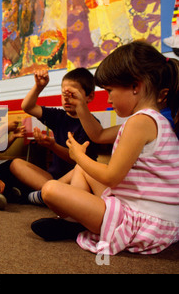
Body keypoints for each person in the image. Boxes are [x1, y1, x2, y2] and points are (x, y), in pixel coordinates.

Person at [31, 40, 179, 256]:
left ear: (135, 86)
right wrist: (81, 106)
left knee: (50, 189)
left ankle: (77, 221)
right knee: (84, 170)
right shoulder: (150, 119)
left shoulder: (140, 123)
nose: (108, 99)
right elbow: (98, 135)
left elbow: (111, 178)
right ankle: (78, 218)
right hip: (151, 213)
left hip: (145, 224)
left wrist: (78, 156)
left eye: (110, 90)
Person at [16, 68, 99, 205]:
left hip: (78, 179)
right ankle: (50, 194)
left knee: (82, 168)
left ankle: (44, 195)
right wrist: (39, 87)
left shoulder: (92, 124)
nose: (66, 98)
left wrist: (53, 146)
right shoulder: (58, 116)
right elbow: (27, 107)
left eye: (72, 94)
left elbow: (79, 162)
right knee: (16, 164)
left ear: (89, 96)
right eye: (63, 94)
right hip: (53, 178)